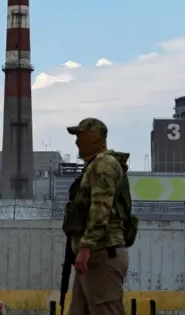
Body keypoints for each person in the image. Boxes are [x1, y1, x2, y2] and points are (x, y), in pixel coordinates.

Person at [63, 117, 133, 315]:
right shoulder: (94, 165)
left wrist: (86, 247)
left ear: (94, 138)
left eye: (81, 136)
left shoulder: (104, 165)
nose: (77, 142)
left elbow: (100, 207)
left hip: (102, 252)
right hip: (94, 255)